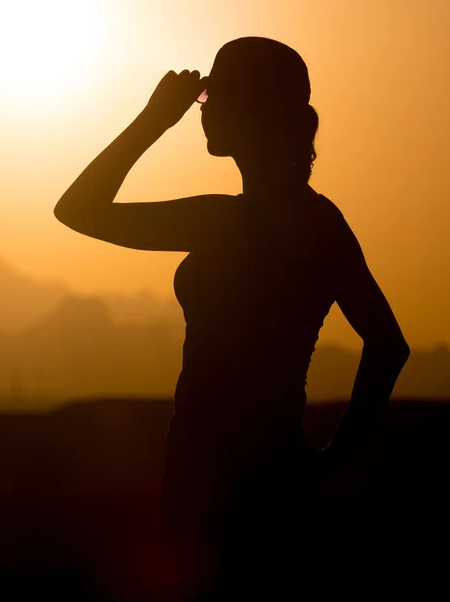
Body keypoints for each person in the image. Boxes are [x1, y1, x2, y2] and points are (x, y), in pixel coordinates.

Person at [54, 37, 410, 596]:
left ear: (250, 111)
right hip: (269, 466)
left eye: (212, 98)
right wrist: (330, 457)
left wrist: (154, 119)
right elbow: (388, 345)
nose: (203, 111)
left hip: (212, 475)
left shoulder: (225, 222)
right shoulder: (319, 221)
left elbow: (77, 210)